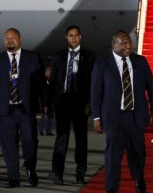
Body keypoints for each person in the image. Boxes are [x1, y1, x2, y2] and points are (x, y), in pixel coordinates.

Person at [91, 30, 153, 193]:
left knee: (138, 152)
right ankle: (112, 187)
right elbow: (95, 91)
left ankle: (138, 179)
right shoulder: (102, 63)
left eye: (129, 42)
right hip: (114, 118)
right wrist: (96, 117)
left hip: (135, 116)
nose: (128, 46)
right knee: (113, 155)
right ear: (114, 44)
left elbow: (151, 87)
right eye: (124, 43)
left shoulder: (140, 62)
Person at [0, 28, 46, 187]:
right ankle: (14, 177)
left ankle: (30, 167)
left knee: (30, 141)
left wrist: (45, 105)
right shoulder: (0, 59)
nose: (9, 40)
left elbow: (41, 84)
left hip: (26, 109)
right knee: (8, 146)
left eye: (13, 37)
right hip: (5, 111)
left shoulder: (32, 57)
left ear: (20, 39)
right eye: (7, 38)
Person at [49, 25, 95, 184]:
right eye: (70, 35)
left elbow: (93, 83)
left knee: (81, 139)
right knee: (61, 138)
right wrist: (50, 104)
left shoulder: (89, 56)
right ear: (66, 37)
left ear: (80, 37)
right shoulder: (58, 57)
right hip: (62, 103)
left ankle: (80, 171)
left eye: (76, 35)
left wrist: (90, 103)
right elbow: (53, 82)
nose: (74, 38)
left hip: (81, 104)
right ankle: (57, 172)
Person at [38, 65, 54, 136]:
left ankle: (48, 131)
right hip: (44, 103)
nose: (51, 73)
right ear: (46, 72)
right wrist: (45, 105)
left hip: (50, 103)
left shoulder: (51, 81)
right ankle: (41, 131)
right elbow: (44, 94)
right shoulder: (43, 81)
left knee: (50, 118)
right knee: (43, 118)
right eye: (50, 72)